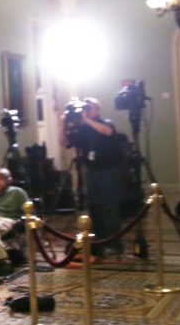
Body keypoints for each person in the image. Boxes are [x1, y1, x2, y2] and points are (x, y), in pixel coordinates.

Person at [60, 97, 125, 257]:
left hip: (109, 170)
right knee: (94, 207)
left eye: (89, 108)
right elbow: (64, 143)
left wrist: (87, 120)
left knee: (109, 207)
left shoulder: (105, 122)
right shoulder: (81, 128)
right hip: (92, 171)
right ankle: (99, 242)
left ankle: (114, 243)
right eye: (85, 108)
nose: (86, 111)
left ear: (97, 109)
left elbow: (108, 132)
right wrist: (63, 124)